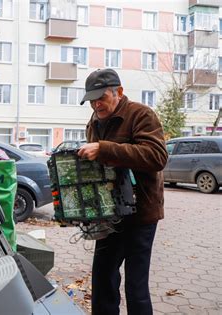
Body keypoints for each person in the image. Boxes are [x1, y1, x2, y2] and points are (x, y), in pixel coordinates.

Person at [77, 68, 168, 315]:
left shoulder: (141, 115)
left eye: (101, 98)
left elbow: (157, 156)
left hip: (141, 213)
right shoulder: (95, 121)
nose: (96, 104)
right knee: (103, 278)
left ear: (119, 92)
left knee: (136, 285)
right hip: (109, 213)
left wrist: (104, 149)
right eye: (91, 100)